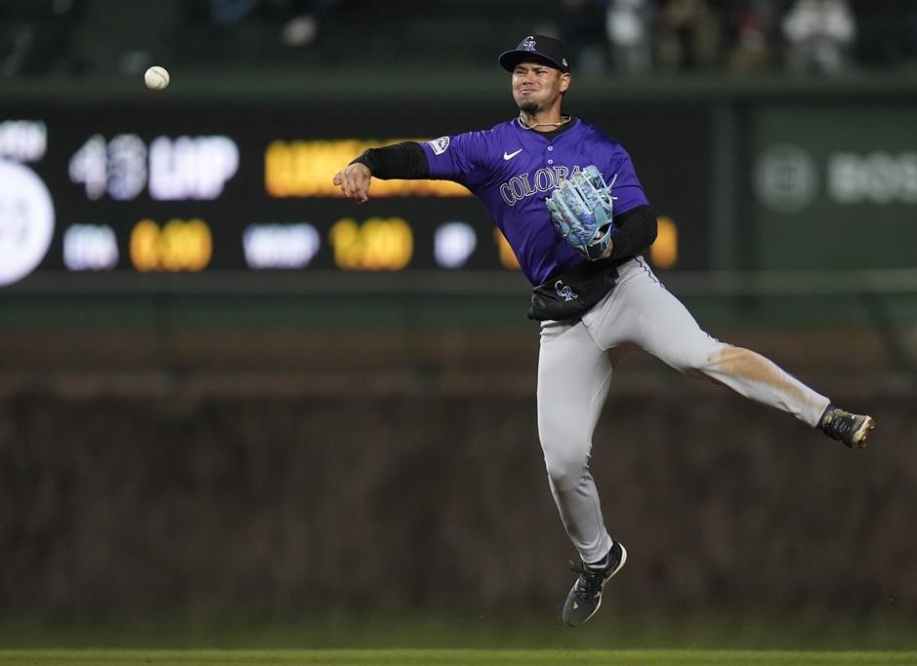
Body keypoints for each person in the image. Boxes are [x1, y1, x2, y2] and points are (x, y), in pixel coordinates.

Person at [332, 34, 875, 627]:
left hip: (623, 287)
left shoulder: (601, 148)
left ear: (565, 81)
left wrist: (614, 241)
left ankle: (826, 415)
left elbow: (643, 222)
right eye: (519, 70)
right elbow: (417, 155)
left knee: (702, 355)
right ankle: (598, 560)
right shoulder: (489, 149)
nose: (526, 77)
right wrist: (367, 163)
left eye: (539, 69)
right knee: (563, 461)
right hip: (563, 318)